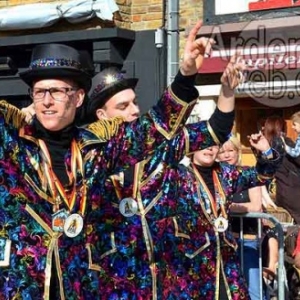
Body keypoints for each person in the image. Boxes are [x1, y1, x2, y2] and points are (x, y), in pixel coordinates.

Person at [0, 20, 216, 299]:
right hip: (20, 286)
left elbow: (154, 129)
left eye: (56, 91)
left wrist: (185, 76)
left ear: (78, 98)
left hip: (81, 285)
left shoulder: (96, 146)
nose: (47, 101)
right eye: (40, 92)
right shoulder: (12, 142)